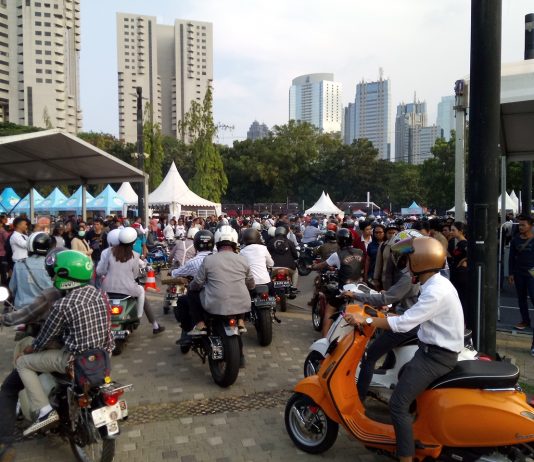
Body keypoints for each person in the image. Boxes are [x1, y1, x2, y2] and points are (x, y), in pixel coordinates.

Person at [343, 236, 464, 462]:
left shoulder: (434, 291)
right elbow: (412, 315)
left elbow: (404, 323)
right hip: (428, 350)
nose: (405, 264)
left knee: (398, 405)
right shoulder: (436, 283)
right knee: (403, 383)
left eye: (408, 259)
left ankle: (405, 457)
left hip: (435, 357)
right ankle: (412, 436)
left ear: (420, 261)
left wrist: (366, 320)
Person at [15, 250, 115, 436]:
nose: (52, 278)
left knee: (22, 363)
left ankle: (45, 411)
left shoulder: (63, 304)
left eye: (54, 273)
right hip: (103, 356)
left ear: (64, 274)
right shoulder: (101, 295)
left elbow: (45, 337)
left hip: (74, 361)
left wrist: (30, 349)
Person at [342, 230, 422, 402]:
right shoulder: (421, 273)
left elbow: (385, 299)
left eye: (405, 251)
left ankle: (358, 399)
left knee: (370, 356)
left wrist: (355, 295)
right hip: (410, 319)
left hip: (407, 324)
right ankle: (385, 377)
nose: (401, 257)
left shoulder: (410, 277)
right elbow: (397, 296)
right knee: (387, 345)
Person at [187, 225, 255, 336]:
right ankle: (241, 320)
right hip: (242, 305)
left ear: (217, 243)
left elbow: (198, 283)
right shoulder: (243, 259)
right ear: (235, 243)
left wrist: (191, 286)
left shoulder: (208, 259)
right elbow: (251, 283)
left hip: (214, 305)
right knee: (248, 289)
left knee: (191, 292)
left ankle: (200, 324)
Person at [97, 227, 165, 335]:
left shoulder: (109, 252)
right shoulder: (135, 255)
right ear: (133, 242)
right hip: (127, 288)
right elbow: (135, 275)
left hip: (107, 288)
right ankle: (139, 316)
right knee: (141, 290)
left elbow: (101, 270)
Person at [312, 228, 364, 336]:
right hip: (359, 288)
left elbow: (323, 265)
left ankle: (324, 338)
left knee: (329, 310)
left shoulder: (337, 255)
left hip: (344, 289)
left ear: (338, 241)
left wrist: (313, 266)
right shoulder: (360, 252)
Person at [171, 230, 215, 345]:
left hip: (203, 298)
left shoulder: (193, 262)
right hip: (221, 296)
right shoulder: (219, 258)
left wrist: (171, 272)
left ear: (196, 244)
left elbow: (175, 273)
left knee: (183, 300)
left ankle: (187, 331)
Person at [9, 233, 53, 310]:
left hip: (22, 310)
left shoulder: (19, 264)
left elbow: (12, 288)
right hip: (45, 309)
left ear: (29, 246)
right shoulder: (52, 265)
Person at [508, 215, 534, 336]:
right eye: (519, 225)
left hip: (532, 272)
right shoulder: (515, 240)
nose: (521, 227)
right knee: (521, 298)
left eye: (523, 225)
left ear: (531, 226)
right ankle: (525, 321)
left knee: (533, 296)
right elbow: (511, 257)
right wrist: (511, 273)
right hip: (519, 272)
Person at [240, 228, 275, 301]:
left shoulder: (242, 251)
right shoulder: (263, 248)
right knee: (273, 296)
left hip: (251, 283)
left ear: (244, 239)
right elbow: (271, 263)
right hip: (265, 281)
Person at [450, 221, 470, 329]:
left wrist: (463, 260)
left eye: (453, 230)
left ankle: (464, 323)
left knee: (462, 300)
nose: (451, 232)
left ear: (461, 231)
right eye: (451, 230)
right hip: (457, 275)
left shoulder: (464, 244)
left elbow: (472, 255)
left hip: (461, 276)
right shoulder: (459, 243)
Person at [267, 226, 299, 290]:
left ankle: (270, 288)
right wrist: (295, 258)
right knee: (295, 272)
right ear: (285, 233)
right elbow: (295, 255)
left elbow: (267, 253)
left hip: (274, 267)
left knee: (269, 275)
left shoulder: (270, 242)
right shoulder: (289, 242)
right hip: (289, 267)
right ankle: (294, 288)